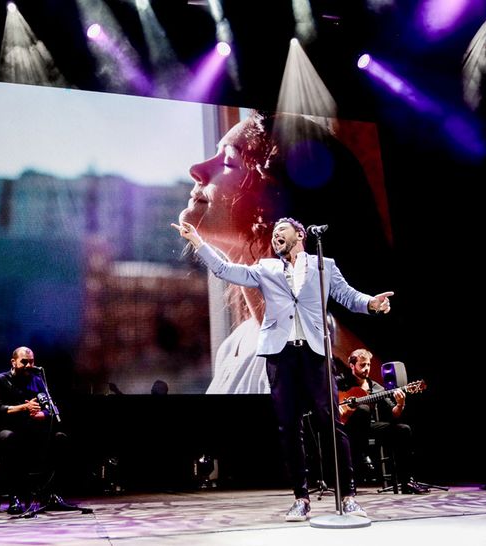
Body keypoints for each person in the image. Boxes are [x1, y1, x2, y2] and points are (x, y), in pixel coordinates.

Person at [172, 216, 392, 521]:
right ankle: (301, 498)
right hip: (281, 354)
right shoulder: (266, 268)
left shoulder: (323, 265)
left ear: (300, 235)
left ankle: (349, 496)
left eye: (282, 230)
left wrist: (371, 303)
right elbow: (225, 270)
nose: (276, 234)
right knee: (289, 426)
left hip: (315, 352)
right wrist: (198, 242)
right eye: (274, 231)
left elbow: (347, 296)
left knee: (330, 423)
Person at [175, 110, 391, 395]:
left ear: (275, 202)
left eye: (228, 160)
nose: (196, 169)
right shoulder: (237, 343)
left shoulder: (334, 364)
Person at [0, 346, 78, 515]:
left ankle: (51, 494)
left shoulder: (37, 380)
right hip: (7, 429)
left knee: (60, 438)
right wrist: (24, 408)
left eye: (31, 362)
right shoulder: (0, 380)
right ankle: (14, 497)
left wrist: (43, 414)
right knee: (10, 439)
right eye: (24, 362)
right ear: (13, 362)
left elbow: (49, 408)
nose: (29, 365)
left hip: (32, 429)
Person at [337, 348, 428, 494]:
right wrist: (337, 407)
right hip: (345, 428)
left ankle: (407, 482)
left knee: (403, 430)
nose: (366, 368)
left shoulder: (376, 388)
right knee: (363, 409)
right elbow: (324, 395)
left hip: (368, 427)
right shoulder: (340, 382)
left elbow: (394, 413)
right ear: (352, 366)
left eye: (368, 364)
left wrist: (400, 404)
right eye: (362, 365)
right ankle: (351, 478)